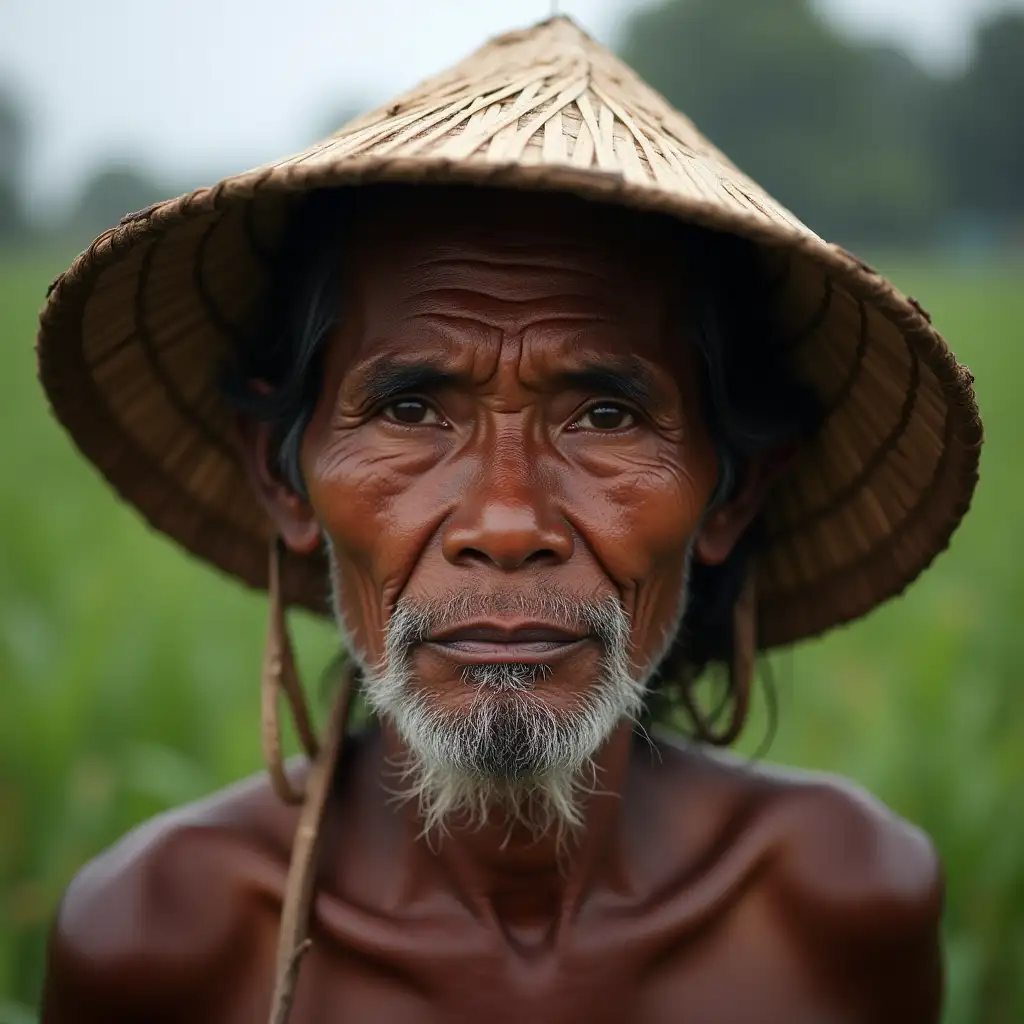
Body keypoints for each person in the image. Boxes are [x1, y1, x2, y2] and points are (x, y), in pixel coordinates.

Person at [35, 16, 981, 1024]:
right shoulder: (163, 940)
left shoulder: (834, 904)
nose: (506, 519)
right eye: (409, 409)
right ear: (281, 470)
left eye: (606, 415)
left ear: (733, 487)